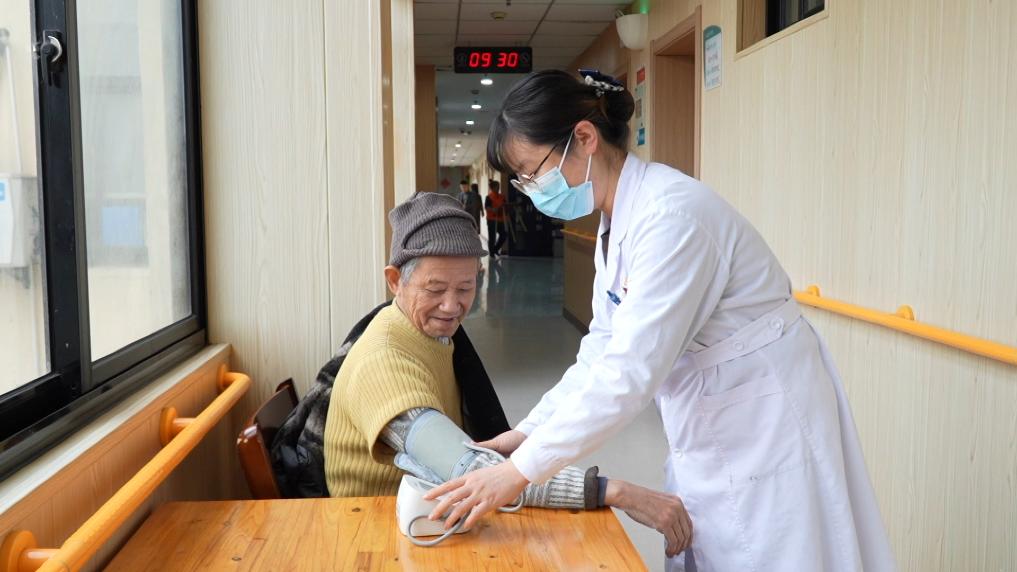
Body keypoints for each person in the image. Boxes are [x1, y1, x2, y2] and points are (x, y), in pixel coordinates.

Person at [425, 70, 896, 571]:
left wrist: (520, 472)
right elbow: (601, 350)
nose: (531, 191)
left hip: (764, 420)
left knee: (774, 551)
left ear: (584, 138)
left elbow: (629, 373)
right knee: (722, 546)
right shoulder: (619, 220)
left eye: (533, 173)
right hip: (717, 417)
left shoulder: (673, 216)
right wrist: (527, 432)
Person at [321, 191, 690, 530]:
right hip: (372, 531)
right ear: (394, 281)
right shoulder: (383, 362)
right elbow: (473, 472)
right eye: (435, 289)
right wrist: (615, 491)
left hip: (428, 517)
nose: (451, 306)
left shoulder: (432, 336)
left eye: (466, 288)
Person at [484, 180, 508, 257]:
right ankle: (492, 253)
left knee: (504, 235)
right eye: (496, 187)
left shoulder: (502, 197)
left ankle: (495, 249)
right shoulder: (489, 197)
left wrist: (506, 208)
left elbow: (505, 206)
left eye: (498, 186)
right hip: (492, 219)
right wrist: (493, 209)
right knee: (492, 237)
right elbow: (487, 207)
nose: (498, 188)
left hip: (501, 219)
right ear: (492, 188)